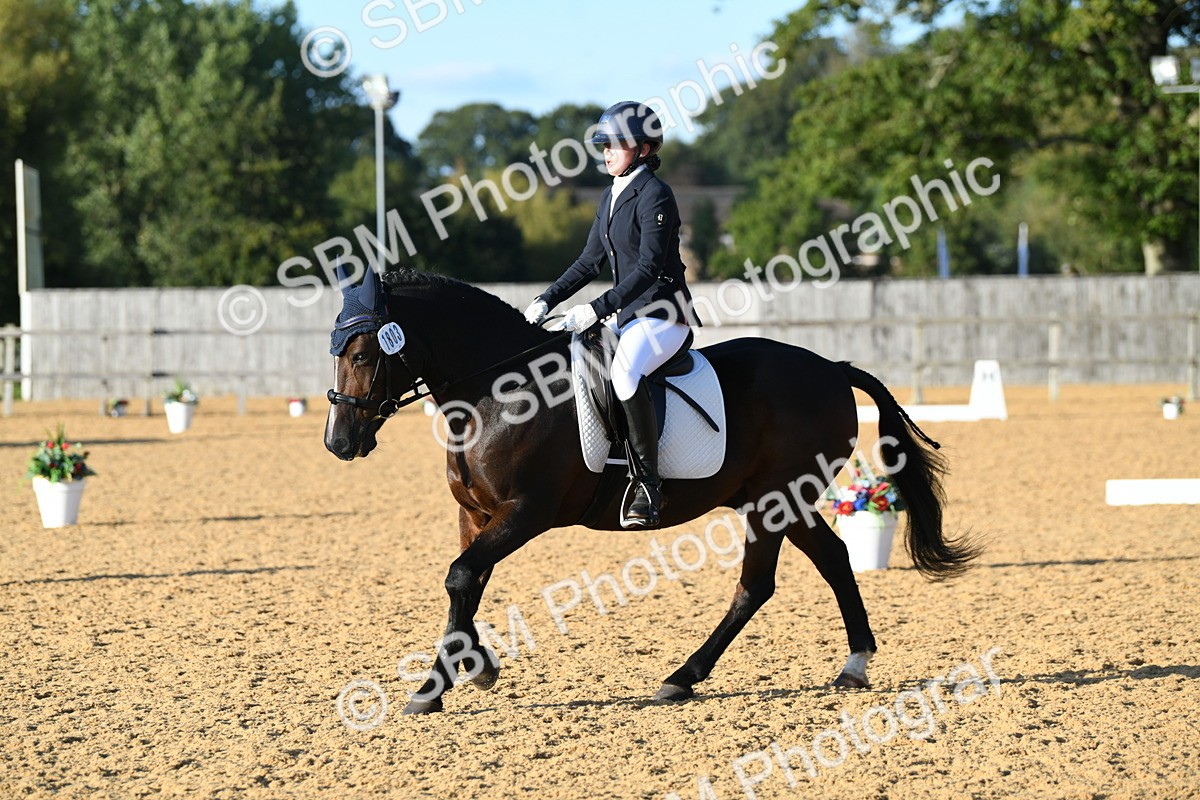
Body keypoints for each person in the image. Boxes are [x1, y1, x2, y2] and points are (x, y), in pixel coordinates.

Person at [523, 101, 700, 530]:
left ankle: (648, 485)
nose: (605, 152)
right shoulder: (610, 194)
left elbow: (649, 269)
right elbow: (589, 262)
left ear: (643, 149)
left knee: (624, 374)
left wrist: (596, 309)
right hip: (629, 318)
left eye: (615, 144)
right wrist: (548, 299)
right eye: (602, 144)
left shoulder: (656, 193)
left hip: (663, 315)